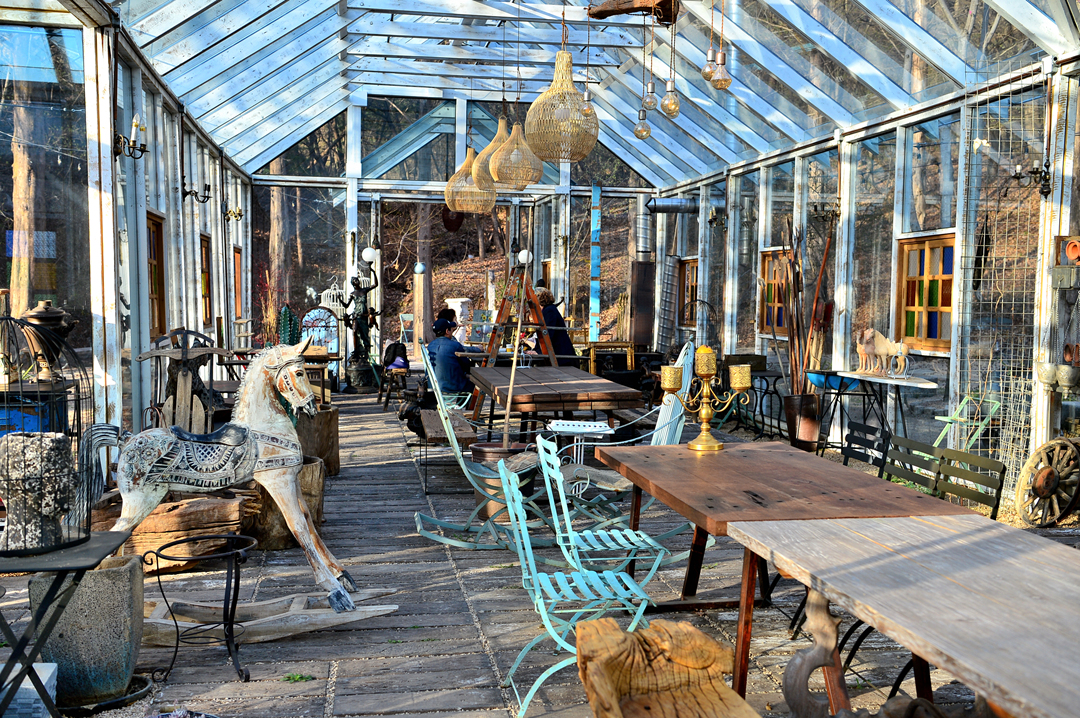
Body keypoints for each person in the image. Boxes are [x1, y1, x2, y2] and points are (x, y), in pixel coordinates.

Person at [428, 318, 479, 393]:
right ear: (447, 331)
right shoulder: (455, 345)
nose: (452, 331)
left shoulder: (431, 345)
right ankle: (463, 402)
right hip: (452, 386)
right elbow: (466, 365)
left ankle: (460, 401)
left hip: (433, 385)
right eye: (451, 329)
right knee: (475, 385)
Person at [537, 289, 577, 367]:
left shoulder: (549, 311)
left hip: (562, 356)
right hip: (561, 354)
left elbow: (548, 333)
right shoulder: (549, 309)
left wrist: (538, 351)